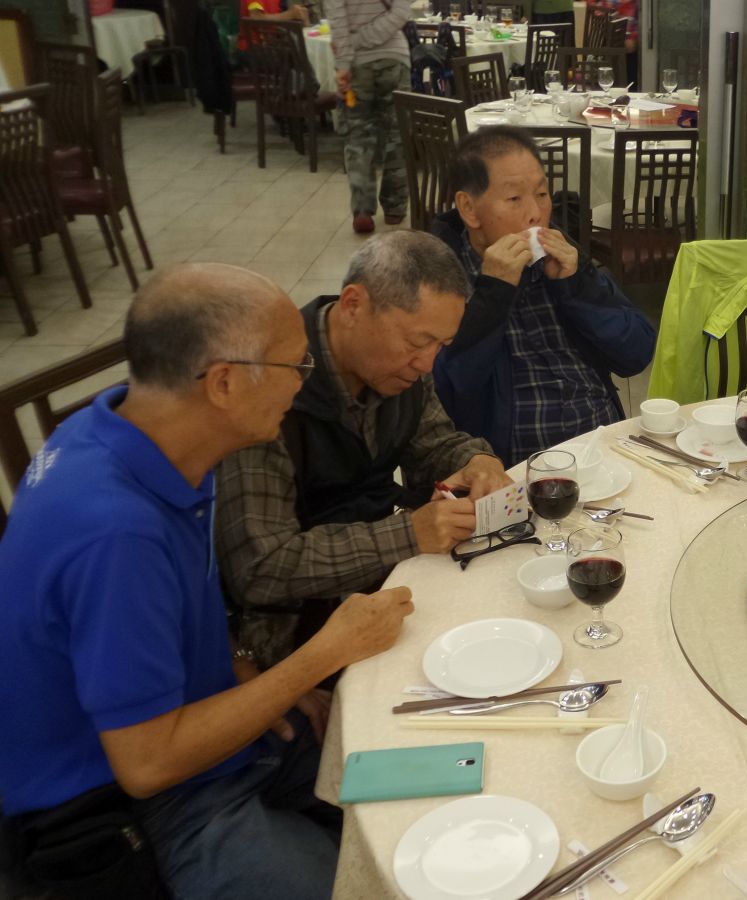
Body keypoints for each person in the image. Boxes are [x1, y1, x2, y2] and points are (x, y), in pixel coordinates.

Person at [0, 264, 415, 899]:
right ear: (223, 382)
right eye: (296, 366)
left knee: (422, 765)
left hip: (209, 721)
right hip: (132, 798)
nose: (304, 383)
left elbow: (169, 600)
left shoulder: (131, 435)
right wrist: (317, 658)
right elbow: (147, 766)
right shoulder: (115, 532)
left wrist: (245, 666)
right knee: (369, 885)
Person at [217, 231, 510, 667]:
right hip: (296, 633)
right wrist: (407, 534)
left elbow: (433, 442)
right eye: (417, 342)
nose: (427, 363)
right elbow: (262, 567)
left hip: (383, 586)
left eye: (441, 346)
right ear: (353, 304)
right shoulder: (272, 390)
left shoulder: (397, 368)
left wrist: (476, 461)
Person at [430, 126, 655, 464]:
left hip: (602, 450)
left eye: (542, 193)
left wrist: (577, 285)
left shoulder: (564, 259)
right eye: (514, 199)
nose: (535, 212)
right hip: (515, 467)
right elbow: (446, 395)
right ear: (469, 209)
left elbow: (636, 353)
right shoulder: (440, 277)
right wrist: (493, 295)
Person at [326, 0, 411, 234]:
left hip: (357, 64)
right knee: (398, 136)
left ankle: (362, 209)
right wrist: (365, 39)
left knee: (358, 136)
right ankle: (395, 208)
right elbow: (402, 12)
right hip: (395, 58)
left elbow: (338, 22)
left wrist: (345, 60)